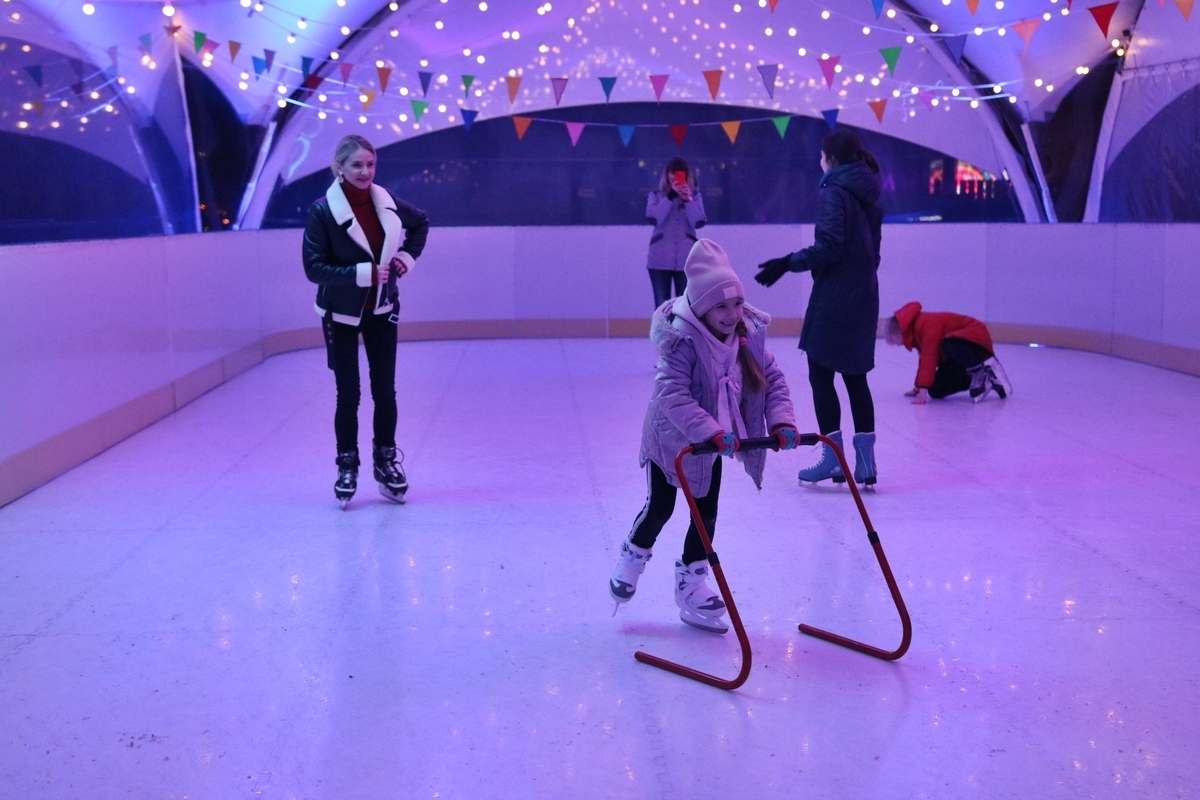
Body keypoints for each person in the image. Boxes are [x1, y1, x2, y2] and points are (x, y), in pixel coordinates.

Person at [609, 239, 800, 634]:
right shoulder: (681, 340)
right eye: (721, 305)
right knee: (660, 509)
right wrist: (711, 430)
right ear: (699, 305)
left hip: (712, 444)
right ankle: (632, 556)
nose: (732, 314)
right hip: (672, 441)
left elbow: (773, 381)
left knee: (705, 513)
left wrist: (781, 423)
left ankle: (692, 583)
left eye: (736, 303)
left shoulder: (746, 335)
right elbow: (671, 394)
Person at [302, 134, 430, 508]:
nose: (365, 172)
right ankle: (347, 464)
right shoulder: (323, 211)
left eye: (370, 164)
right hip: (340, 312)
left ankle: (386, 459)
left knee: (385, 390)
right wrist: (363, 273)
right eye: (357, 164)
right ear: (339, 167)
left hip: (382, 308)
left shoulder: (385, 202)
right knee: (349, 393)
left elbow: (420, 223)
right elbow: (313, 267)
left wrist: (405, 258)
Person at [753, 129, 883, 488]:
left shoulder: (833, 191)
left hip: (835, 295)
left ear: (831, 159)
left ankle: (834, 460)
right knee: (856, 377)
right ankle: (866, 464)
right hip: (864, 293)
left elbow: (829, 247)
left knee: (821, 373)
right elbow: (875, 255)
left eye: (822, 156)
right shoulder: (870, 193)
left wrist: (786, 263)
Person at [886, 302, 1012, 403]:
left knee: (948, 344)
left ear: (900, 331)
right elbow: (924, 359)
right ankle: (990, 378)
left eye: (892, 339)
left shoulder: (926, 323)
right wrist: (919, 387)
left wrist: (922, 389)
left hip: (975, 338)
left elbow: (930, 357)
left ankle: (979, 372)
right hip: (957, 353)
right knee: (935, 390)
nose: (895, 344)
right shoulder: (916, 334)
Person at [644, 157, 707, 309]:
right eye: (673, 173)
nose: (676, 177)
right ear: (667, 175)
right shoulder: (655, 196)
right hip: (659, 259)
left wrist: (688, 200)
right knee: (662, 306)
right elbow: (654, 217)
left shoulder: (695, 196)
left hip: (686, 260)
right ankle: (663, 333)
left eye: (680, 174)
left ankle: (682, 333)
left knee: (685, 306)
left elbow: (698, 222)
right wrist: (670, 196)